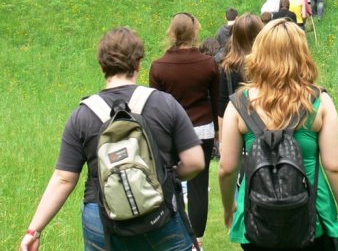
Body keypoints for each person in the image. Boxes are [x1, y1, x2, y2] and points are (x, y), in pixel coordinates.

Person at [19, 27, 204, 251]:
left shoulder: (83, 115)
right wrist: (166, 176)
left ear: (101, 66)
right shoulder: (165, 103)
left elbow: (63, 179)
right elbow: (195, 162)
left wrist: (34, 230)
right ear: (139, 64)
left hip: (101, 217)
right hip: (159, 213)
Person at [218, 21, 338, 250]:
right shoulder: (319, 102)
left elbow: (227, 168)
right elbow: (335, 166)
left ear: (259, 53)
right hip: (314, 216)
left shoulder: (238, 105)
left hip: (257, 216)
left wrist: (230, 208)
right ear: (302, 54)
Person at [149, 14, 221, 250]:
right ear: (195, 32)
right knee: (199, 188)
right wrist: (217, 131)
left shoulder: (159, 67)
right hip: (202, 130)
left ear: (172, 33)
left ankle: (175, 237)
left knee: (170, 185)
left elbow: (156, 107)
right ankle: (197, 241)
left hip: (170, 133)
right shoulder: (208, 64)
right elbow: (215, 102)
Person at [217, 14, 264, 120]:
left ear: (235, 36)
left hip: (240, 120)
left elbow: (223, 106)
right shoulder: (270, 63)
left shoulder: (229, 66)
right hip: (269, 119)